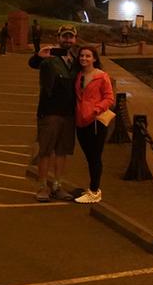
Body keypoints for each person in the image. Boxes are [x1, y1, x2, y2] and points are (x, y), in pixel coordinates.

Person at [28, 25, 79, 201]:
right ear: (58, 37)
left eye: (70, 37)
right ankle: (42, 187)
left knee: (62, 151)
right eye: (64, 36)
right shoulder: (49, 57)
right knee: (45, 151)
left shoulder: (76, 59)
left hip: (69, 113)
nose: (67, 40)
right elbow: (33, 64)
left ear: (75, 40)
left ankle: (57, 186)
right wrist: (38, 56)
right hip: (49, 112)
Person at [72, 44, 114, 204]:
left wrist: (96, 110)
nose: (84, 58)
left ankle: (95, 191)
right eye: (82, 55)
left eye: (88, 56)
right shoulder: (78, 75)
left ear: (94, 58)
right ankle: (92, 188)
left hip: (96, 122)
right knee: (89, 157)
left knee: (95, 157)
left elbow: (109, 98)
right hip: (81, 122)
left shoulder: (102, 76)